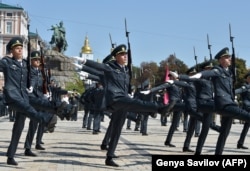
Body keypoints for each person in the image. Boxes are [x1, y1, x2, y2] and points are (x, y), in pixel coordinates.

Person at [74, 44, 170, 167]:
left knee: (117, 129)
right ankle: (159, 108)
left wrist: (129, 91)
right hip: (115, 99)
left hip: (123, 98)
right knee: (136, 103)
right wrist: (85, 62)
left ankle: (109, 157)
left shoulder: (125, 70)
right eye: (122, 55)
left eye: (126, 55)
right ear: (116, 57)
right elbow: (99, 67)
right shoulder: (111, 67)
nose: (125, 57)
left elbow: (125, 85)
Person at [1, 37, 66, 165]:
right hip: (13, 96)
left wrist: (32, 86)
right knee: (30, 110)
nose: (19, 50)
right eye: (16, 48)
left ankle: (10, 155)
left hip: (24, 96)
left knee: (18, 128)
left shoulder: (26, 64)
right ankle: (45, 120)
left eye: (21, 48)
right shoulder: (6, 62)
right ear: (11, 50)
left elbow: (34, 78)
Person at [189, 47, 250, 155]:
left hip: (228, 102)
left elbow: (230, 90)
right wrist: (196, 75)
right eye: (227, 57)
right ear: (221, 60)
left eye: (229, 57)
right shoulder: (217, 70)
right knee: (245, 115)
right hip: (221, 105)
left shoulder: (228, 73)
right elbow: (207, 74)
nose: (229, 59)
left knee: (224, 133)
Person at [235, 72, 250, 149]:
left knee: (246, 127)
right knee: (246, 127)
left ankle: (240, 143)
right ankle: (240, 143)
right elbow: (237, 91)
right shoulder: (245, 87)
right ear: (247, 79)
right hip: (248, 109)